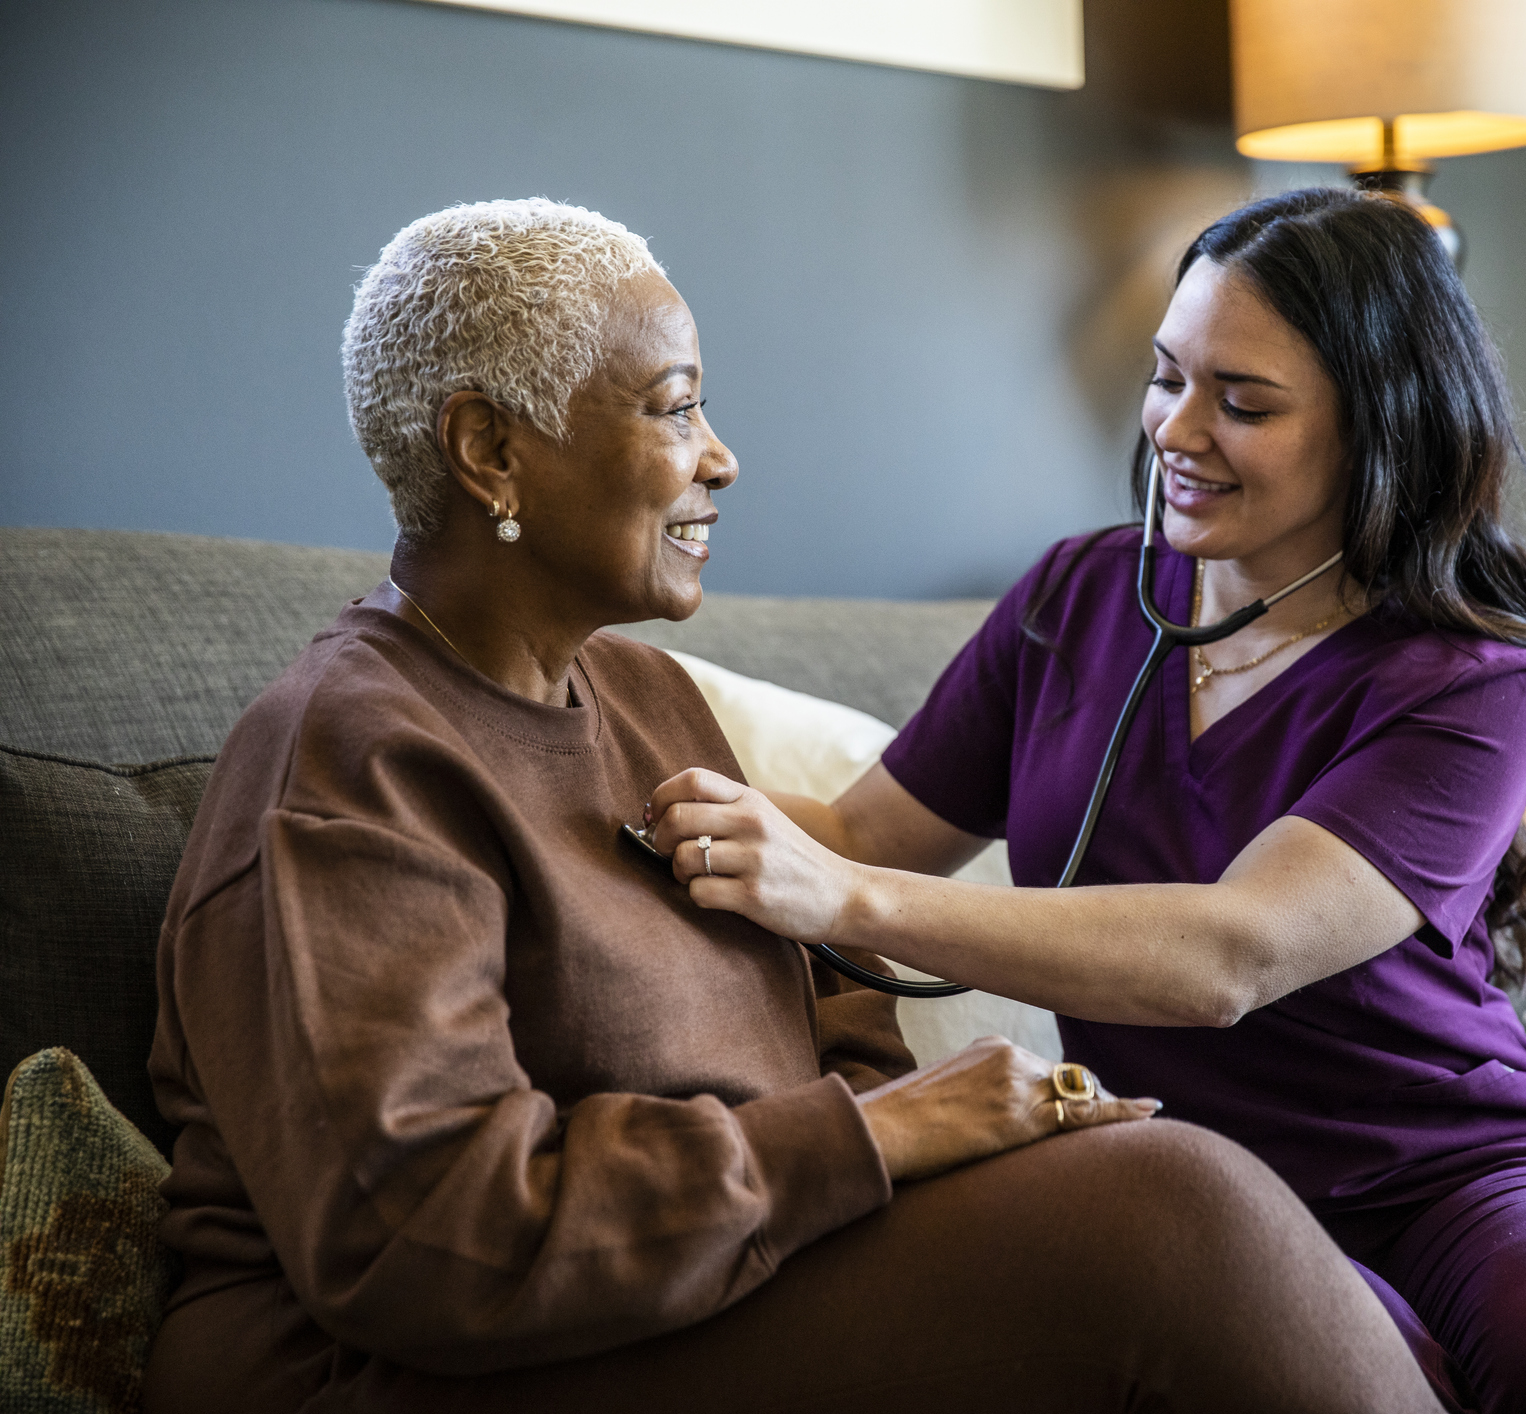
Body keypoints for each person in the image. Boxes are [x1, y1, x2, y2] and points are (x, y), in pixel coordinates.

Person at [142, 198, 1437, 1414]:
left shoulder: (644, 698)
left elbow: (833, 1012)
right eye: (673, 406)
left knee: (1164, 1196)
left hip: (723, 1262)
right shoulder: (349, 757)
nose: (721, 456)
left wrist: (924, 1132)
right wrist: (870, 1135)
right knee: (1171, 1216)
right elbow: (429, 1236)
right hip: (415, 1357)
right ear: (491, 451)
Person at [646, 189, 1526, 1414]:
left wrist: (847, 896)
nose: (1176, 429)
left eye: (1243, 402)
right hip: (1189, 1179)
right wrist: (592, 784)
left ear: (1382, 425)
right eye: (1166, 379)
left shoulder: (1467, 683)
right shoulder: (1078, 600)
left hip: (1459, 1173)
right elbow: (858, 831)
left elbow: (1234, 951)